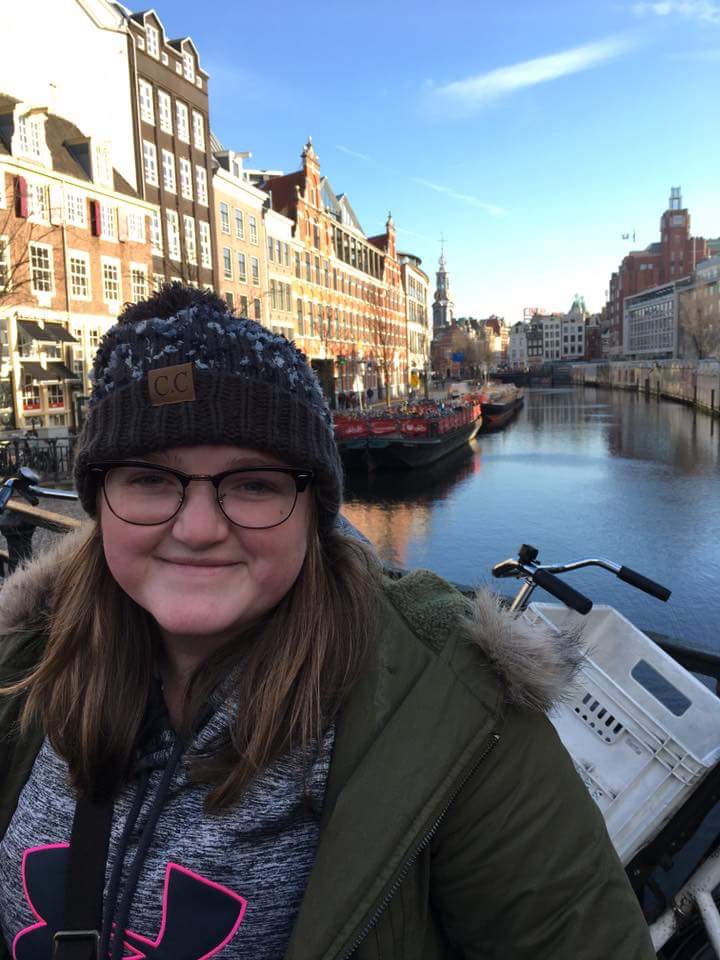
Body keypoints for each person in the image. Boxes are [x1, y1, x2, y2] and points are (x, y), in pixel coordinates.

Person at [0, 285, 655, 959]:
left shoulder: (457, 715)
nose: (197, 530)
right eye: (148, 479)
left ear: (314, 512)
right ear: (98, 499)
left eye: (253, 484)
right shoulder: (20, 668)